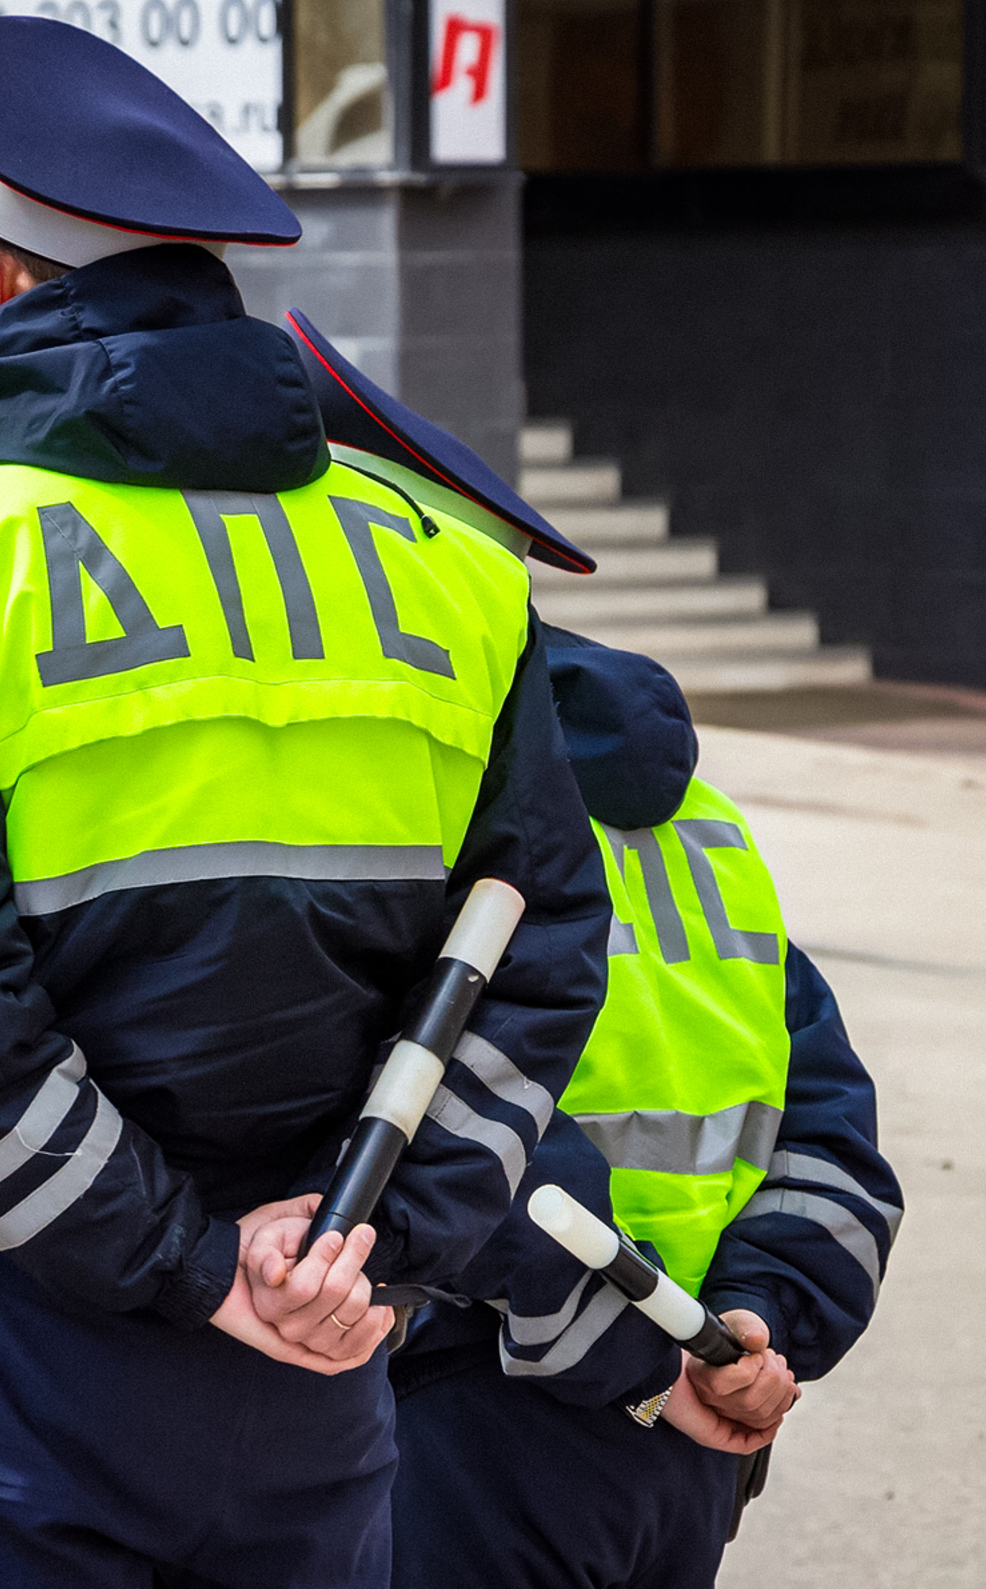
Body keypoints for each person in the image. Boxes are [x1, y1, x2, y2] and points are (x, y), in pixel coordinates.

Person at [0, 15, 612, 1589]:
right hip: (332, 1336)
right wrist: (370, 1240)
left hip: (42, 1345)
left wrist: (183, 1264)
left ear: (0, 277)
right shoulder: (447, 572)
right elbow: (547, 945)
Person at [382, 626, 905, 1589]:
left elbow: (430, 1120)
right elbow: (834, 1141)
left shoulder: (448, 807)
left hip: (491, 1413)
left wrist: (652, 1357)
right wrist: (752, 1324)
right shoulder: (708, 829)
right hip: (701, 1425)